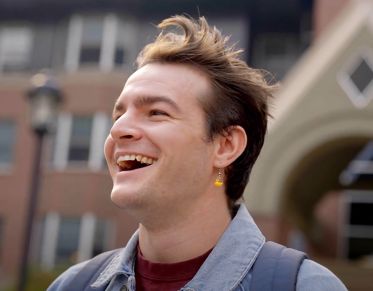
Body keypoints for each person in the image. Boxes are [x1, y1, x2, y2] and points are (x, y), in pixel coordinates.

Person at [48, 15, 347, 291]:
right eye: (118, 116)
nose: (118, 130)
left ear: (226, 146)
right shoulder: (72, 285)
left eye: (156, 112)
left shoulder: (304, 286)